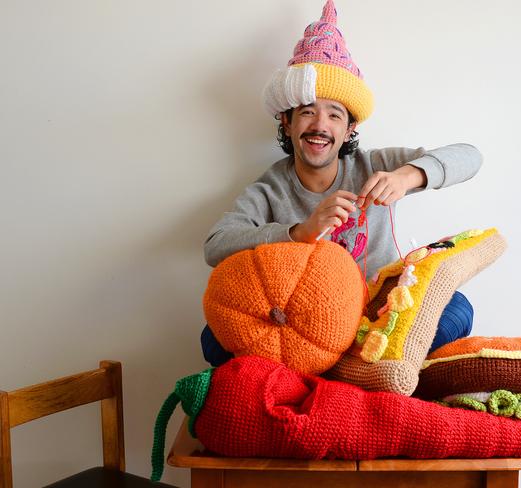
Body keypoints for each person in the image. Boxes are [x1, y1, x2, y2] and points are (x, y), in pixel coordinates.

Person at [201, 0, 477, 366]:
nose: (320, 125)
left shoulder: (375, 164)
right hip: (306, 321)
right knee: (213, 339)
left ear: (349, 129)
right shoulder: (269, 189)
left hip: (377, 309)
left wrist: (408, 176)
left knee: (458, 309)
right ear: (287, 123)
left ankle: (344, 366)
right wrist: (299, 231)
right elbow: (215, 246)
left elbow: (470, 156)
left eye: (334, 114)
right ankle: (351, 366)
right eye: (308, 112)